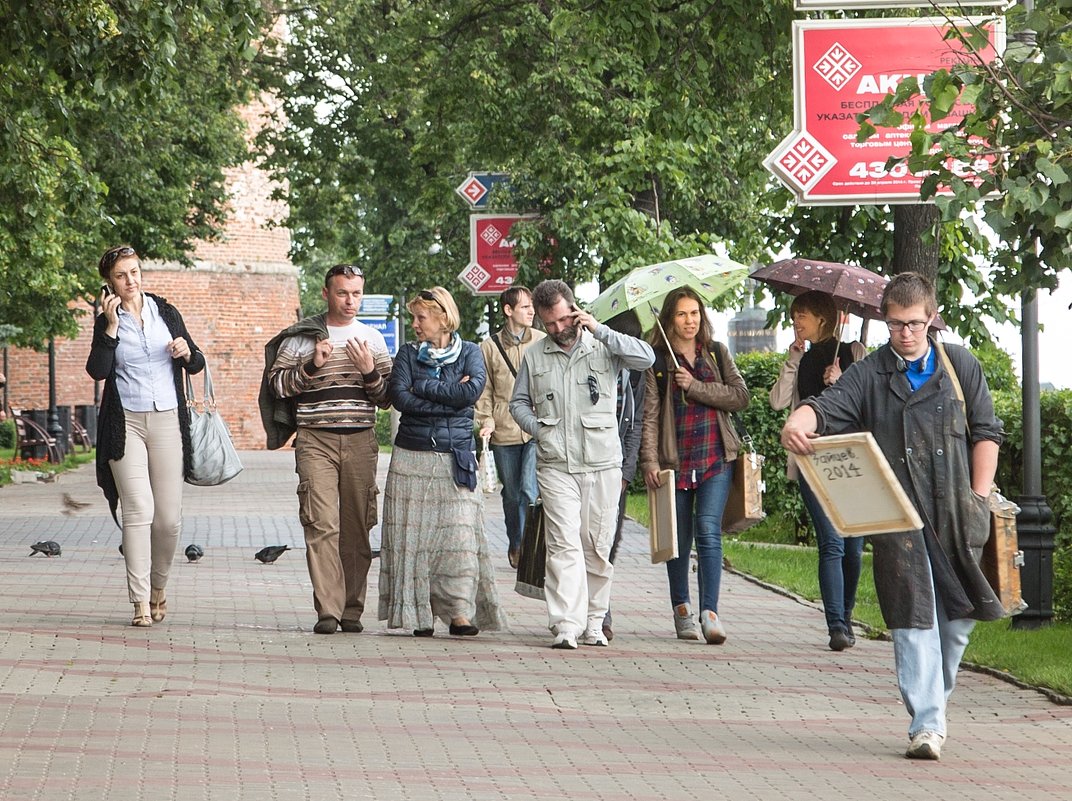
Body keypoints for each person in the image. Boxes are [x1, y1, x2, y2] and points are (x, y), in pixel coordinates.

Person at [780, 272, 1004, 761]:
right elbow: (828, 406)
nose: (906, 333)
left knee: (957, 621)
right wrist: (800, 420)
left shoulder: (960, 366)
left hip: (957, 512)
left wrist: (979, 497)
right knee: (912, 615)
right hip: (898, 516)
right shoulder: (870, 373)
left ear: (932, 319)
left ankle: (933, 707)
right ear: (885, 321)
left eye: (915, 324)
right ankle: (926, 724)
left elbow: (987, 432)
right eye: (897, 324)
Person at [509, 280, 654, 649]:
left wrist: (600, 330)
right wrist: (539, 430)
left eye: (561, 319)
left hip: (602, 462)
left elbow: (647, 358)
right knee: (562, 545)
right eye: (548, 323)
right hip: (556, 464)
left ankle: (594, 621)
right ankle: (565, 624)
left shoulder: (603, 345)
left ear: (573, 309)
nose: (556, 329)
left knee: (597, 545)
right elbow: (518, 404)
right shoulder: (535, 355)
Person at [261, 263, 392, 635]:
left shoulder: (372, 339)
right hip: (315, 439)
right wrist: (311, 366)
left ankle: (352, 609)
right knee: (321, 524)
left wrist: (369, 370)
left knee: (357, 525)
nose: (350, 301)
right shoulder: (302, 338)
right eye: (342, 293)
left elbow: (386, 397)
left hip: (361, 438)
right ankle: (328, 611)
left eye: (356, 294)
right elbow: (278, 388)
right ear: (325, 293)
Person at [85, 244, 206, 627]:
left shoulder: (165, 312)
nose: (130, 281)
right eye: (121, 276)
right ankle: (139, 602)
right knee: (139, 510)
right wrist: (110, 329)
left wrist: (186, 351)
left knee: (168, 520)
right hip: (126, 425)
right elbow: (98, 372)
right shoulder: (108, 318)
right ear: (110, 282)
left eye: (134, 272)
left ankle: (158, 588)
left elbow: (198, 361)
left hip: (168, 420)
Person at [378, 286, 505, 637]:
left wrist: (426, 388)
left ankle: (460, 613)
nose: (415, 324)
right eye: (414, 317)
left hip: (456, 457)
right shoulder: (406, 354)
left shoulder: (470, 353)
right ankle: (420, 614)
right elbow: (401, 398)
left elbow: (469, 395)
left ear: (443, 317)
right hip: (412, 457)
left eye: (421, 317)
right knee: (415, 541)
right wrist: (446, 398)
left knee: (460, 539)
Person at [639, 287, 750, 644]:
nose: (690, 321)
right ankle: (682, 609)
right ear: (670, 318)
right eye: (683, 314)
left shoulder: (716, 352)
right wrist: (650, 460)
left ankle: (710, 612)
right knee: (678, 540)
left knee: (708, 531)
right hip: (675, 459)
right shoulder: (657, 361)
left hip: (715, 456)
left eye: (695, 314)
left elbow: (740, 396)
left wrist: (697, 387)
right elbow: (650, 415)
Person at [769, 290, 867, 652]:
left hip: (851, 462)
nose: (796, 321)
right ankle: (837, 625)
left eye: (803, 314)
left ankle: (848, 611)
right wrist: (793, 360)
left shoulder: (856, 353)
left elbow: (868, 404)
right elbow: (778, 401)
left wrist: (843, 379)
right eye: (795, 315)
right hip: (813, 459)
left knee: (853, 548)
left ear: (823, 317)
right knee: (831, 542)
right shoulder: (802, 357)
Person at [475, 285, 545, 568]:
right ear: (508, 310)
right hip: (503, 430)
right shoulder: (489, 346)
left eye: (532, 307)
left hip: (535, 428)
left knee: (529, 490)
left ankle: (528, 548)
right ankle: (515, 541)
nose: (531, 311)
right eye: (525, 307)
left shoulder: (541, 340)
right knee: (512, 493)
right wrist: (485, 422)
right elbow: (485, 391)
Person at [603, 312, 647, 642]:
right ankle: (583, 608)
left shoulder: (637, 375)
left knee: (611, 538)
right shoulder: (594, 364)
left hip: (617, 468)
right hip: (587, 463)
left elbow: (636, 426)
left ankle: (601, 607)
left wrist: (626, 473)